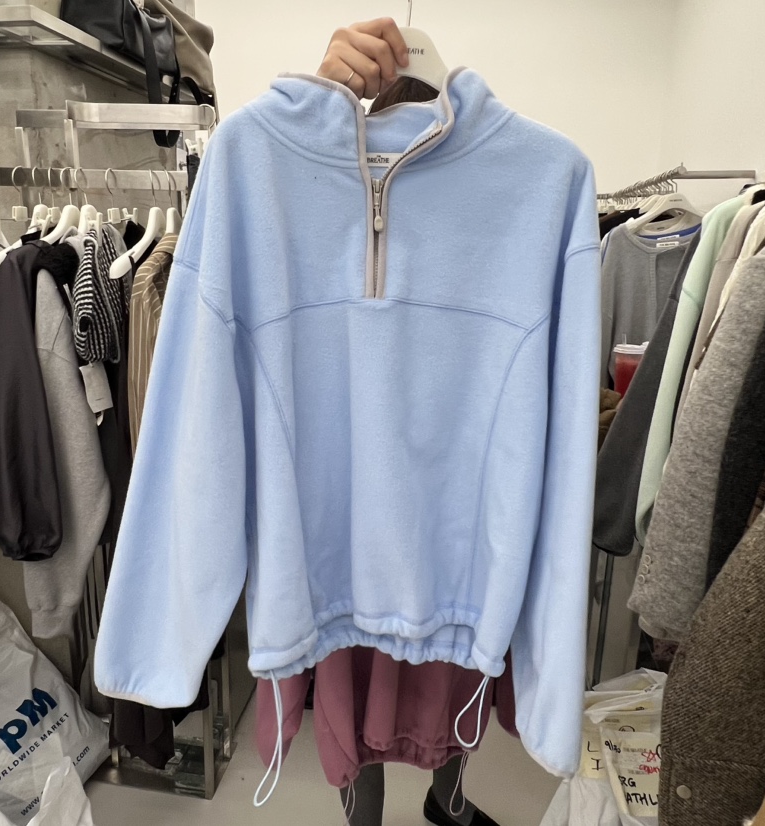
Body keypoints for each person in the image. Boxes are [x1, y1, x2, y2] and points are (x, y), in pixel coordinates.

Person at [302, 20, 503, 826]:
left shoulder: (502, 200)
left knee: (436, 665)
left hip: (438, 518)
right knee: (380, 671)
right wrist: (313, 107)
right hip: (358, 516)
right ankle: (419, 808)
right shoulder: (308, 191)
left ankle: (432, 806)